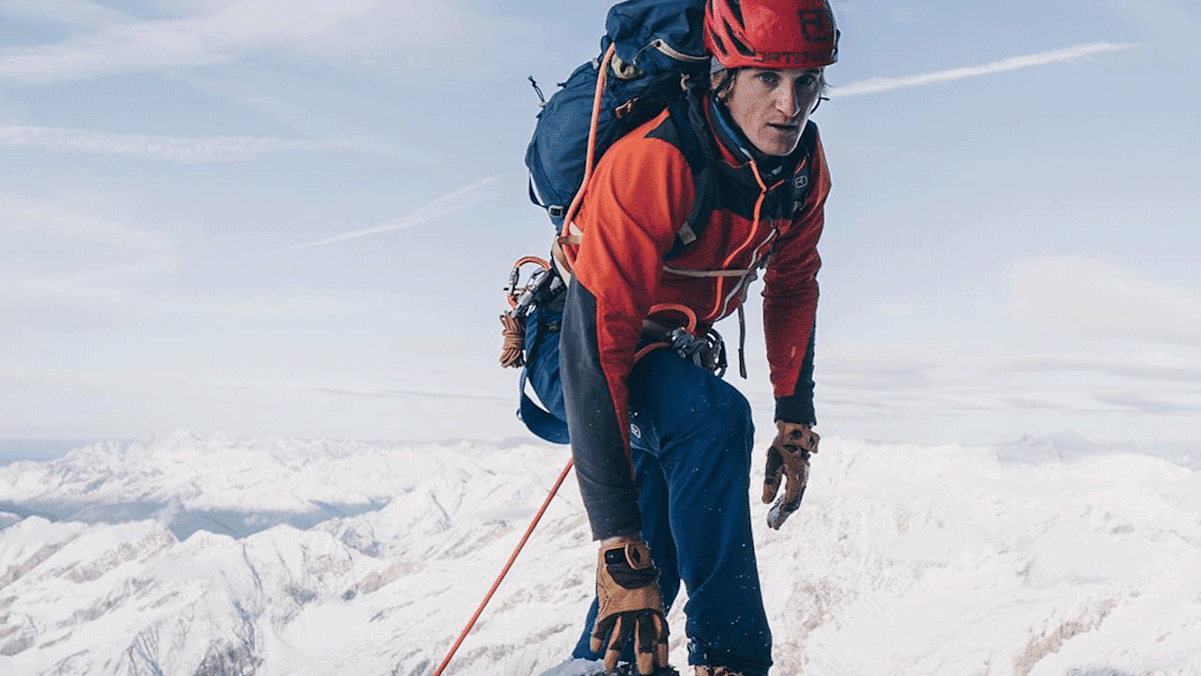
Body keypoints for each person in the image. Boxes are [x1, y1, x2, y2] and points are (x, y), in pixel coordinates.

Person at [555, 1, 839, 674]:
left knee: (665, 549)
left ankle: (601, 664)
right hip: (576, 348)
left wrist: (795, 422)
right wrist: (614, 542)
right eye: (766, 79)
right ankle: (731, 656)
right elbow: (596, 345)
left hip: (662, 355)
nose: (788, 103)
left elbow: (793, 286)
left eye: (806, 81)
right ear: (720, 78)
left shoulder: (798, 171)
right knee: (711, 421)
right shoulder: (657, 160)